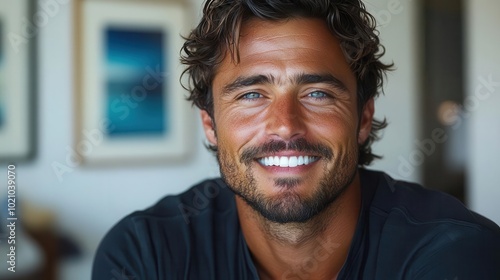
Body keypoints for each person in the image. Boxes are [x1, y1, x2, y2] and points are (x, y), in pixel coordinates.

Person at [92, 0, 500, 279]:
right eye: (252, 95)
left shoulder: (456, 254)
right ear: (210, 125)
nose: (285, 126)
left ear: (363, 117)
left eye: (317, 93)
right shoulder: (144, 255)